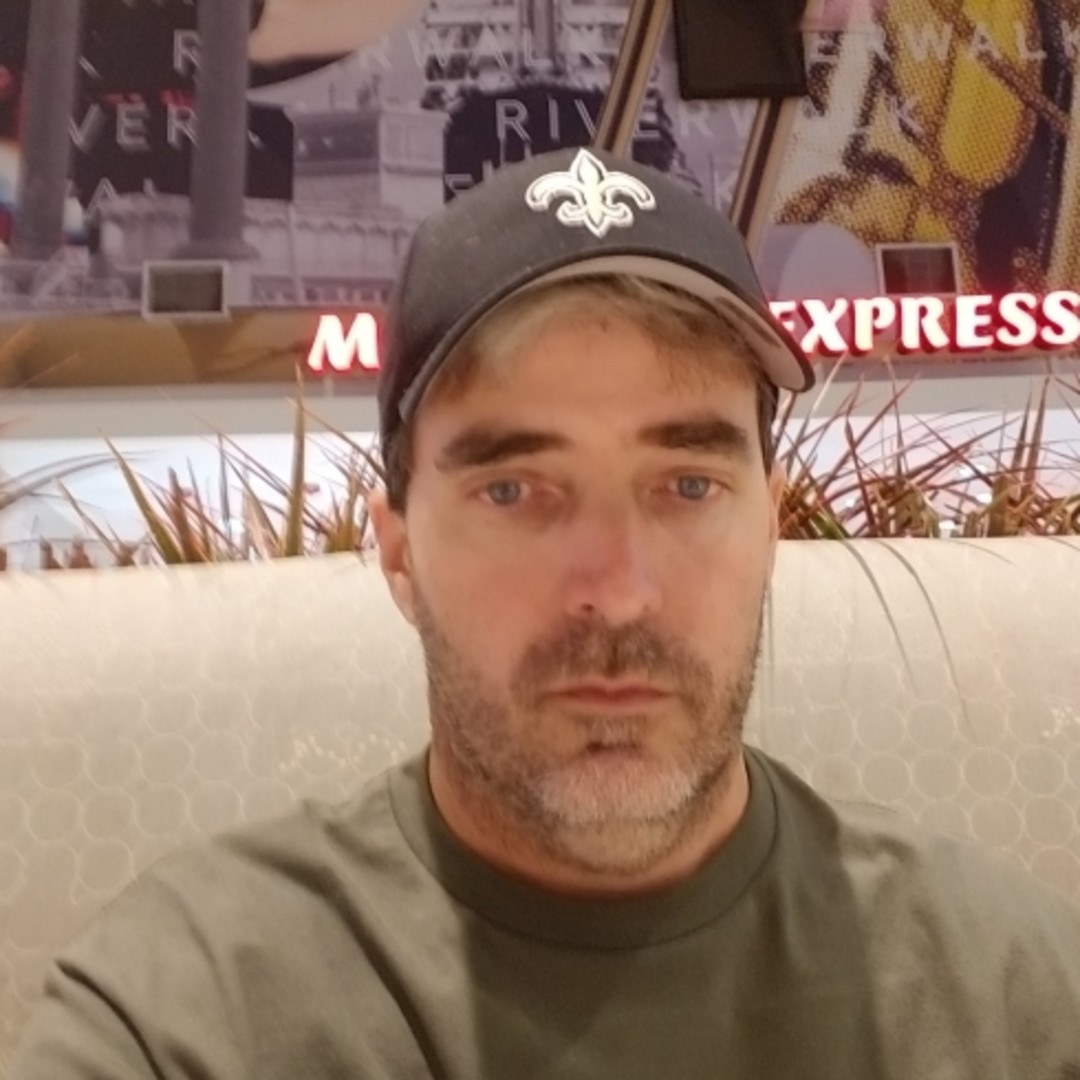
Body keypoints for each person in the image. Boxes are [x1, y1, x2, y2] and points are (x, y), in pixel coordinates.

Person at [11, 146, 1080, 1079]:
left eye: (689, 485)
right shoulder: (193, 1011)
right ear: (398, 550)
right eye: (514, 490)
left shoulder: (1004, 991)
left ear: (770, 528)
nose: (615, 589)